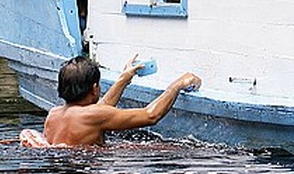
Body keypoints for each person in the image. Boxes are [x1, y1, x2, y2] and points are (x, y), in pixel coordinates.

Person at [30, 54, 202, 147]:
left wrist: (124, 78)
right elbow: (151, 115)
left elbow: (99, 110)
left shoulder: (53, 114)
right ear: (95, 88)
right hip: (86, 172)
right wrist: (177, 85)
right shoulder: (93, 115)